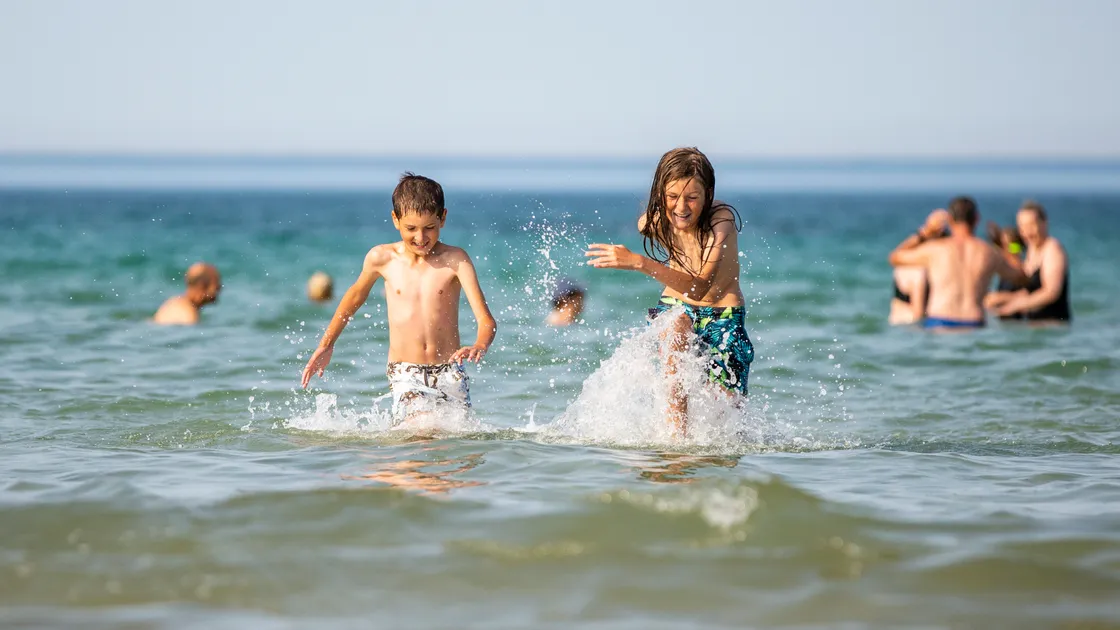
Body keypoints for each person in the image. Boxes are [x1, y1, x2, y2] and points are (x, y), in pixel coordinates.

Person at [300, 173, 497, 423]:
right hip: (406, 372)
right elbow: (354, 298)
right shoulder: (381, 259)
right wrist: (327, 344)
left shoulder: (456, 261)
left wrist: (480, 344)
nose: (420, 237)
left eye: (429, 228)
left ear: (443, 218)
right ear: (396, 220)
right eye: (411, 228)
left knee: (457, 450)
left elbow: (486, 321)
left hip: (450, 373)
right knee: (418, 435)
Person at [585, 147, 754, 436]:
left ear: (708, 194)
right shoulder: (655, 222)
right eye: (672, 197)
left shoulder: (721, 220)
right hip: (676, 305)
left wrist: (639, 262)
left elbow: (701, 286)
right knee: (676, 327)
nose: (681, 208)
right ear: (661, 194)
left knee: (727, 419)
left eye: (692, 197)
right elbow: (647, 225)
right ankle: (677, 441)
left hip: (722, 316)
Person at [889, 196, 1025, 329]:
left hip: (940, 321)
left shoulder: (936, 250)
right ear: (977, 219)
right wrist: (1011, 248)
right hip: (974, 323)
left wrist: (925, 232)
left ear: (950, 220)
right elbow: (1020, 277)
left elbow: (895, 257)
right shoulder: (989, 252)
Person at [990, 201, 1071, 323]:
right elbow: (1030, 288)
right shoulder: (1031, 250)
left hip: (1054, 328)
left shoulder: (1052, 249)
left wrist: (1016, 306)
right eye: (1022, 227)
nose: (1027, 232)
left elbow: (1051, 292)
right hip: (1034, 327)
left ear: (1044, 223)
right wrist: (1001, 298)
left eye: (1032, 225)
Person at [888, 209, 948, 325]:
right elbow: (918, 314)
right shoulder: (918, 270)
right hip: (910, 325)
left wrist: (924, 234)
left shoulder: (911, 263)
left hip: (901, 326)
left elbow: (895, 256)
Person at [152, 262, 222, 325]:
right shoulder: (189, 316)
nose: (220, 288)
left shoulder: (172, 302)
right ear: (202, 285)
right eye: (217, 285)